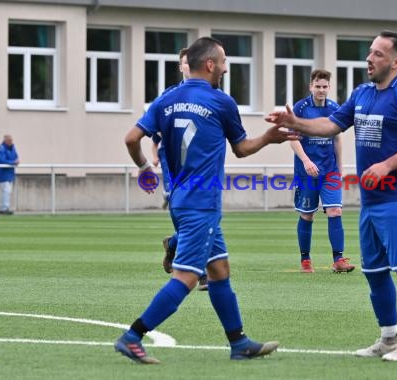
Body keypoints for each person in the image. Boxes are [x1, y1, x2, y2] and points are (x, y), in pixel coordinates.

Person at [115, 36, 296, 364]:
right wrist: (269, 138)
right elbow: (241, 149)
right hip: (202, 203)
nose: (226, 67)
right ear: (210, 64)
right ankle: (133, 336)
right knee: (186, 277)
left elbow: (131, 138)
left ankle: (239, 343)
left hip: (180, 197)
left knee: (219, 269)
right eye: (224, 61)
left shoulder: (167, 99)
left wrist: (144, 168)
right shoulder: (220, 101)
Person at [267, 30, 397, 362]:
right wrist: (294, 121)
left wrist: (386, 165)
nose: (369, 59)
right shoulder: (362, 93)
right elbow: (331, 125)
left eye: (378, 54)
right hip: (371, 202)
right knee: (374, 272)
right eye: (370, 52)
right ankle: (388, 339)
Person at [150, 48, 210, 290]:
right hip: (173, 164)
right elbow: (154, 132)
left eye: (191, 62)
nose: (188, 66)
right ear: (180, 66)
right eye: (185, 63)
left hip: (200, 165)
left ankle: (173, 245)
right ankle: (202, 273)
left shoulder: (209, 95)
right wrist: (152, 157)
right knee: (190, 215)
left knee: (199, 217)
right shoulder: (170, 95)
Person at [290, 69, 354, 274]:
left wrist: (341, 166)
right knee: (307, 215)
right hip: (307, 172)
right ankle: (305, 260)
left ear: (329, 87)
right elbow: (293, 139)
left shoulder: (335, 108)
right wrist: (307, 161)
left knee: (335, 211)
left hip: (330, 171)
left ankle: (339, 259)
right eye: (317, 86)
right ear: (311, 86)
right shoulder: (300, 108)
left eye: (325, 86)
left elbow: (336, 138)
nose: (321, 90)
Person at [0, 135, 19, 215]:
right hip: (3, 173)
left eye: (11, 140)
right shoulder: (1, 148)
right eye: (9, 140)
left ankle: (4, 207)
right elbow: (1, 160)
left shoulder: (12, 148)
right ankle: (4, 208)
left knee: (8, 191)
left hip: (10, 173)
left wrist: (16, 161)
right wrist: (12, 162)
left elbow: (15, 156)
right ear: (5, 140)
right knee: (6, 191)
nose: (11, 142)